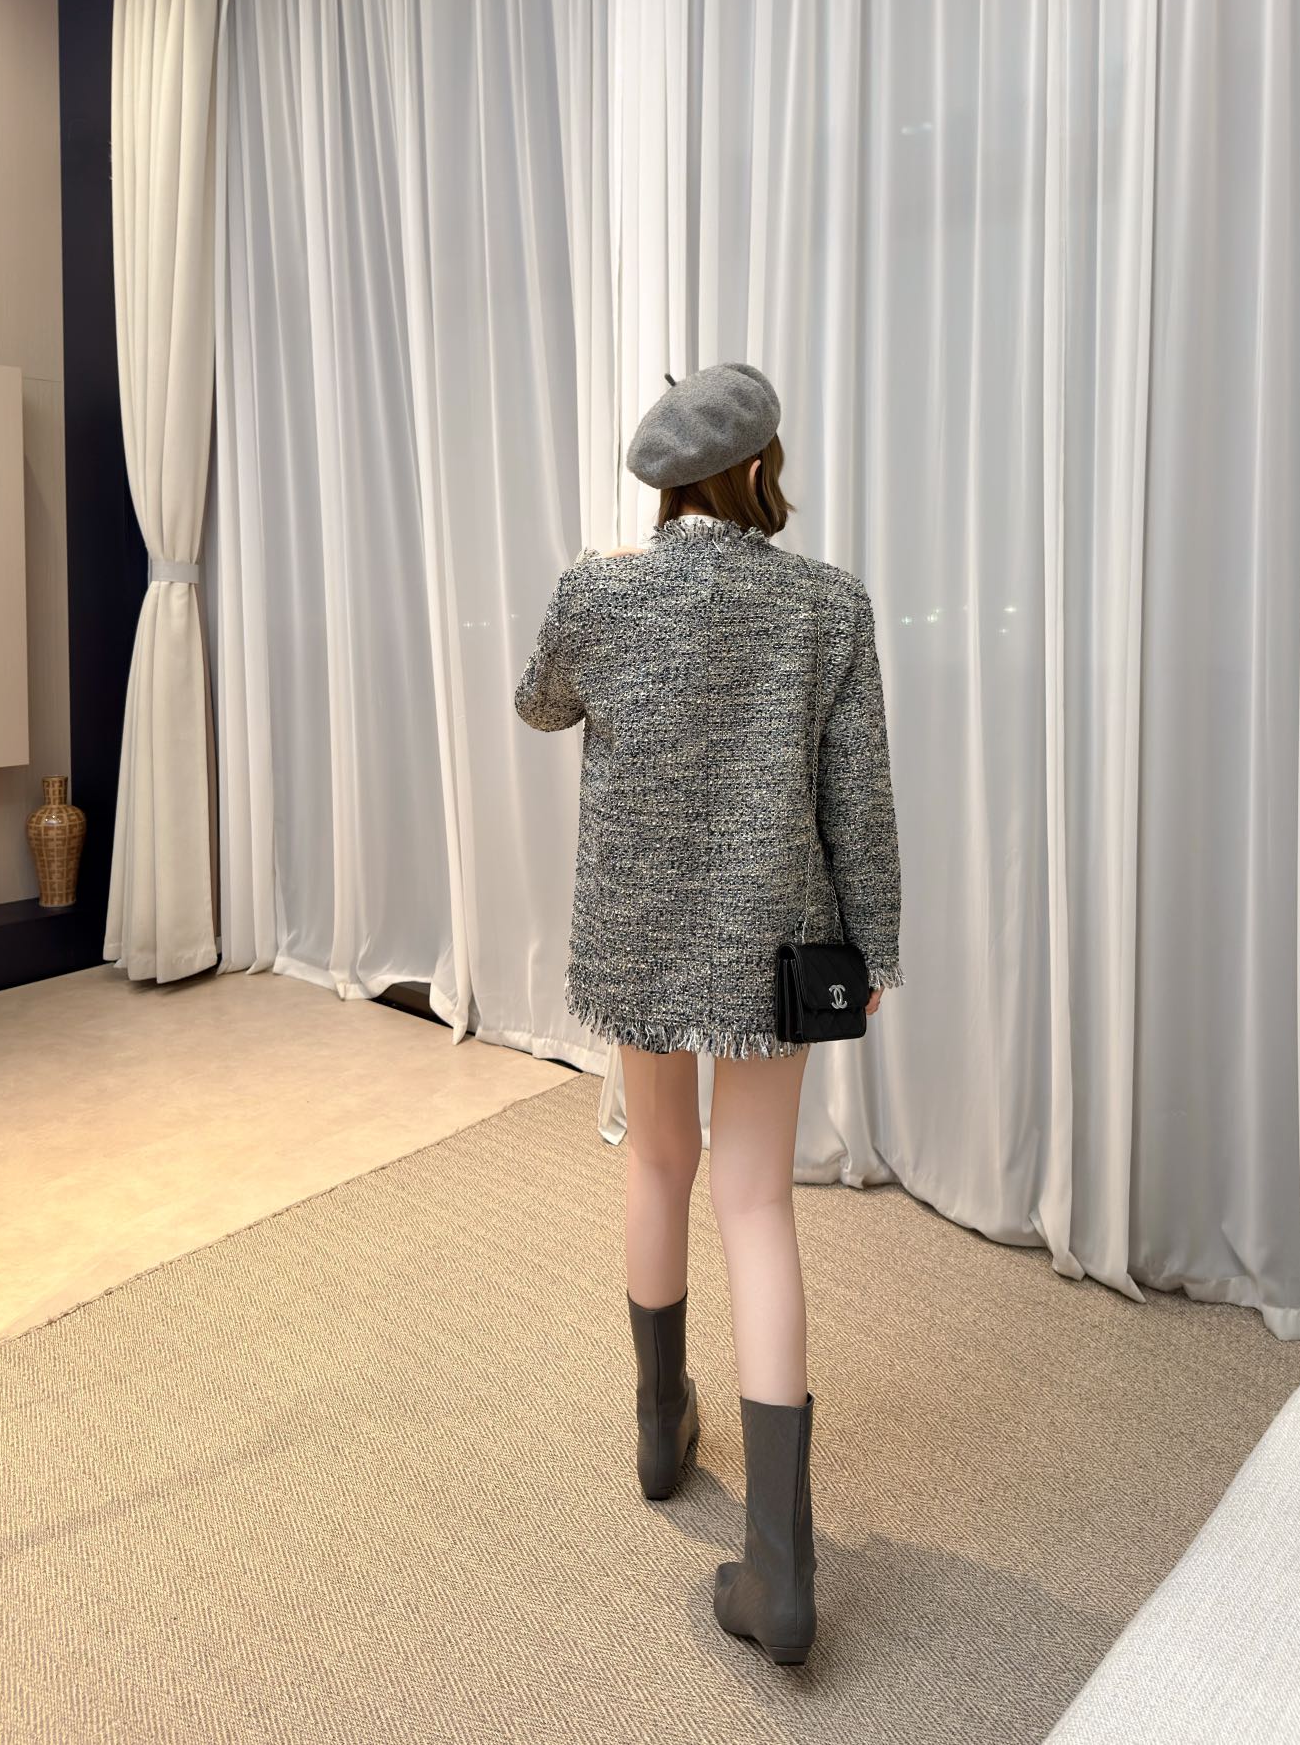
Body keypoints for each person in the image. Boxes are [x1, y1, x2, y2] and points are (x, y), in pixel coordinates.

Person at [513, 361, 903, 1668]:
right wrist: (875, 940)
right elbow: (859, 799)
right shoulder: (828, 604)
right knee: (757, 1203)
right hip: (773, 940)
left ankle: (656, 1432)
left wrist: (605, 602)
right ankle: (782, 1574)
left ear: (669, 482)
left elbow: (538, 702)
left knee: (656, 1163)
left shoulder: (602, 590)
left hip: (639, 928)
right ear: (759, 469)